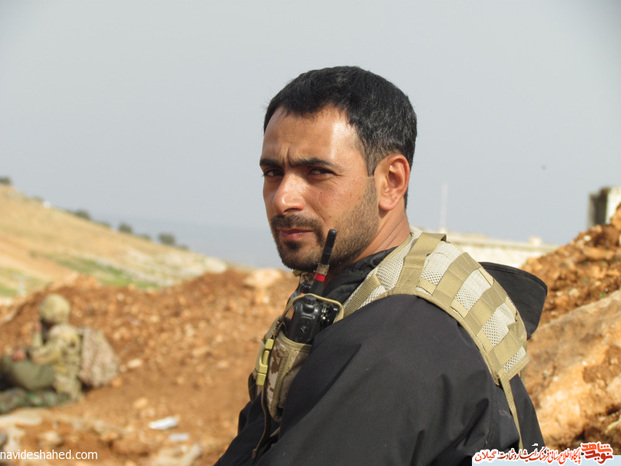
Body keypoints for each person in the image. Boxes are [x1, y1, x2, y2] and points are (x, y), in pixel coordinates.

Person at [216, 66, 546, 465]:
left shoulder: (396, 345)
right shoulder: (374, 290)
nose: (283, 198)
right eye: (273, 172)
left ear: (391, 181)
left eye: (317, 172)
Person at [0, 294, 82, 413]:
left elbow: (39, 358)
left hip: (60, 392)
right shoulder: (62, 332)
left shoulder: (62, 335)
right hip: (52, 382)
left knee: (19, 395)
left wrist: (37, 335)